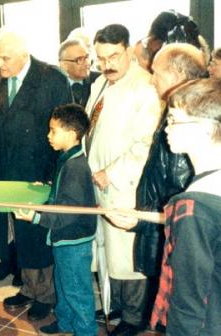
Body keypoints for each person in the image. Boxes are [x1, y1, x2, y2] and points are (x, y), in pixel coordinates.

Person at [107, 43, 207, 328]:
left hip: (178, 241)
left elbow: (182, 196)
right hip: (162, 227)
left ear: (175, 74)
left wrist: (143, 219)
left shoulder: (191, 119)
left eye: (156, 72)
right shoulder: (178, 108)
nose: (151, 79)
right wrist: (139, 217)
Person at [0, 29, 72, 321]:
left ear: (23, 54)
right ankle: (29, 287)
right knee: (19, 233)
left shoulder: (51, 78)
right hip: (7, 172)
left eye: (5, 58)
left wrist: (52, 174)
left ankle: (46, 294)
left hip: (39, 173)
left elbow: (68, 130)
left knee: (39, 233)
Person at [86, 24, 161, 335]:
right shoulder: (101, 83)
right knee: (106, 253)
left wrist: (112, 173)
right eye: (101, 58)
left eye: (114, 56)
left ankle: (133, 319)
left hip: (125, 186)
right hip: (98, 182)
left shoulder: (144, 88)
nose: (107, 65)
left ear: (130, 51)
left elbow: (146, 144)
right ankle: (113, 306)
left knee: (127, 256)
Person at [14, 104, 97, 336]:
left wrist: (35, 216)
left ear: (71, 134)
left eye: (53, 131)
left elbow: (69, 211)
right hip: (66, 239)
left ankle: (85, 331)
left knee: (76, 290)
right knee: (63, 284)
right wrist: (50, 189)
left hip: (73, 240)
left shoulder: (75, 166)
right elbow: (65, 194)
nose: (48, 135)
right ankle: (66, 323)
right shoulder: (68, 157)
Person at [150, 78, 221, 335]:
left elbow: (187, 298)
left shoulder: (195, 204)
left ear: (204, 128)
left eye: (173, 120)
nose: (166, 128)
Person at [58, 39, 99, 107]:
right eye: (79, 59)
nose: (87, 63)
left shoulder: (99, 80)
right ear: (64, 65)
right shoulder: (53, 86)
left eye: (87, 57)